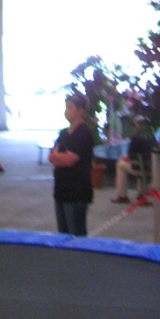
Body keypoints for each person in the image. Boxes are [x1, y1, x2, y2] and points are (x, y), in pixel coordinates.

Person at [49, 93, 94, 236]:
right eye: (66, 107)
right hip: (61, 190)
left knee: (75, 232)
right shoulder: (63, 133)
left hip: (76, 192)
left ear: (80, 111)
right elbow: (51, 157)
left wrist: (58, 155)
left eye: (70, 107)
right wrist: (60, 157)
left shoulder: (83, 133)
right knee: (62, 232)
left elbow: (69, 160)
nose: (66, 110)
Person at [111, 117, 156, 203]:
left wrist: (123, 158)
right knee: (139, 165)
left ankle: (122, 195)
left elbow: (129, 156)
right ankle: (142, 195)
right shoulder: (152, 137)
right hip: (152, 169)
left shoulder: (136, 138)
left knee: (120, 164)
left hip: (141, 168)